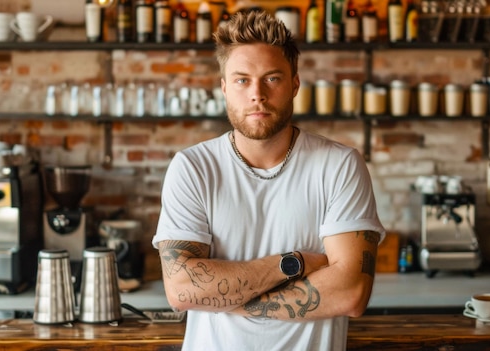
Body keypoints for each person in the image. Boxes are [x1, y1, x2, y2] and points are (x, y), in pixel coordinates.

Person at [152, 10, 385, 351]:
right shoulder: (193, 167)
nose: (256, 94)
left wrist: (229, 297)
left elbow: (351, 294)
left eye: (272, 78)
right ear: (224, 88)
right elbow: (182, 290)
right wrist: (295, 263)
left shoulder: (339, 165)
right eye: (242, 80)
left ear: (294, 84)